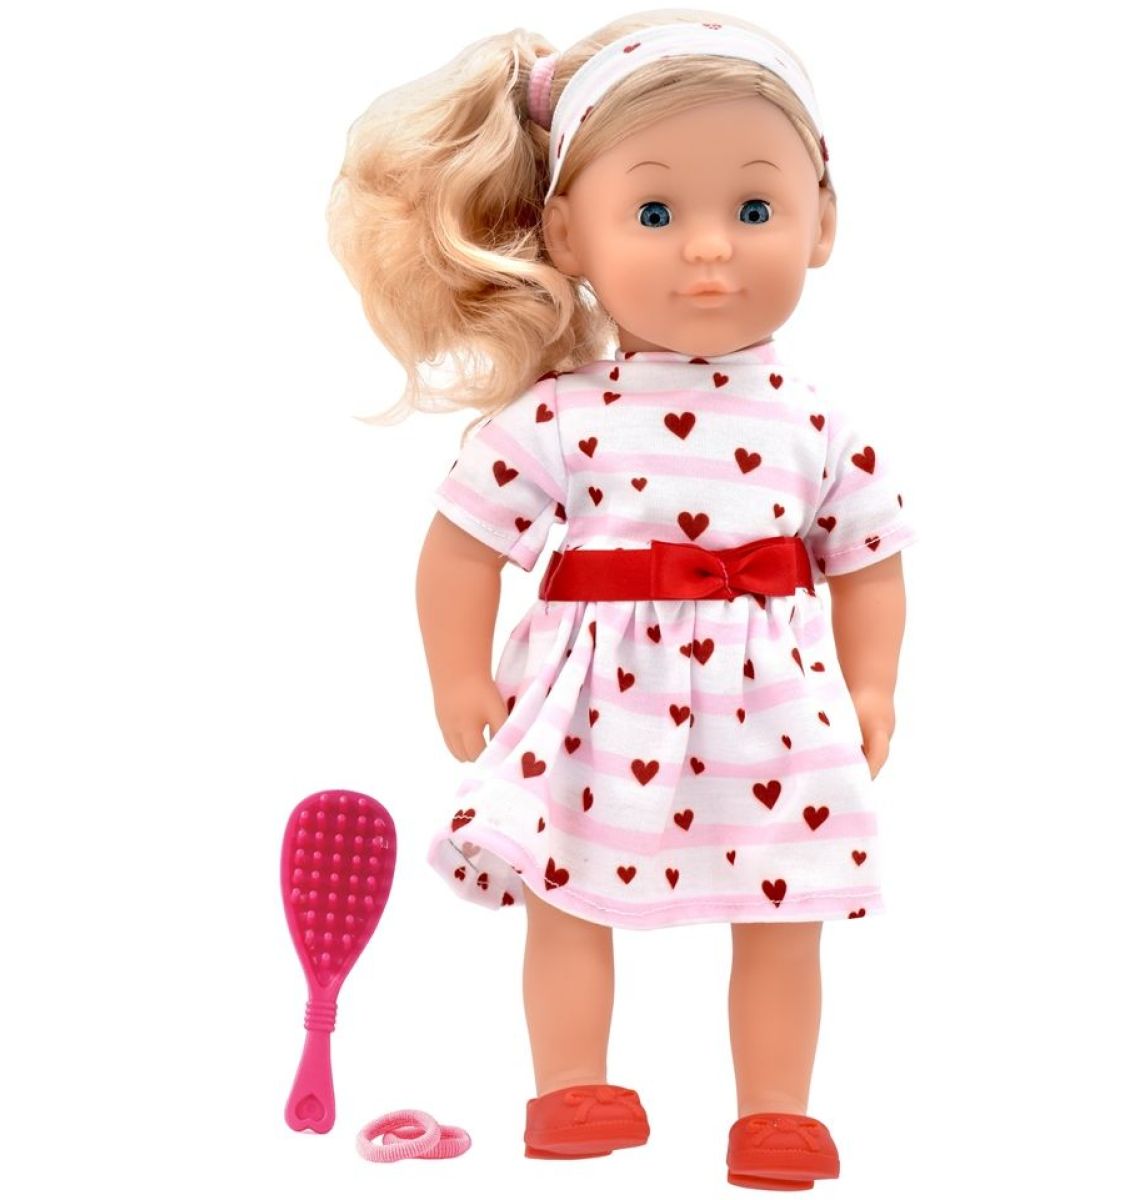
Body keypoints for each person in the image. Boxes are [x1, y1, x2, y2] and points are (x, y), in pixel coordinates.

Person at [326, 8, 916, 1187]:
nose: (710, 249)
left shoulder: (816, 423)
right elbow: (461, 550)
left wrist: (871, 685)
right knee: (567, 890)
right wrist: (458, 673)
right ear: (567, 235)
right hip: (596, 706)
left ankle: (775, 1112)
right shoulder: (558, 416)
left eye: (755, 208)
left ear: (823, 221)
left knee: (785, 912)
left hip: (772, 712)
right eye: (654, 214)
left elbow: (869, 560)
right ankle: (572, 1088)